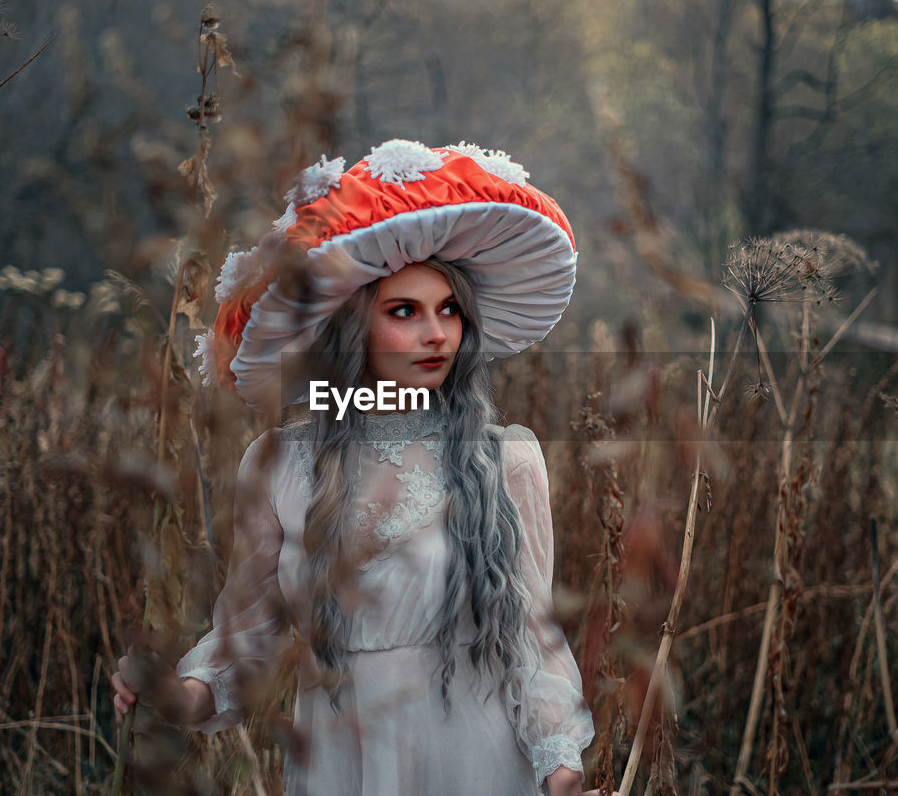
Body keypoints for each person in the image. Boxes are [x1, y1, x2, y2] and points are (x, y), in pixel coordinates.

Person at [111, 140, 613, 796]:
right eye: (404, 312)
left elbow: (531, 648)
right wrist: (171, 694)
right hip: (340, 763)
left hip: (476, 764)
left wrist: (562, 770)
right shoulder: (281, 465)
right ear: (353, 329)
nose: (437, 334)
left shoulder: (505, 460)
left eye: (449, 309)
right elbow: (245, 640)